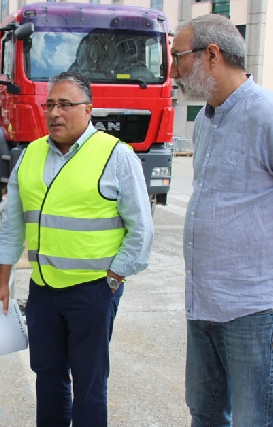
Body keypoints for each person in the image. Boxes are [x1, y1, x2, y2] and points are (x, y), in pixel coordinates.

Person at [0, 71, 153, 427]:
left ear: (88, 110)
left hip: (93, 291)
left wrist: (112, 280)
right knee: (47, 378)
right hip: (44, 292)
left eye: (65, 104)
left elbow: (141, 230)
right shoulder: (30, 154)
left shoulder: (116, 155)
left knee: (90, 384)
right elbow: (13, 226)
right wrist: (2, 282)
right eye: (49, 104)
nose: (54, 113)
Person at [170, 14, 273, 427]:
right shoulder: (205, 123)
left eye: (178, 57)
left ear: (211, 54)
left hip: (253, 307)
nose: (172, 70)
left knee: (255, 418)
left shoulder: (264, 116)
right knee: (205, 412)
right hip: (203, 303)